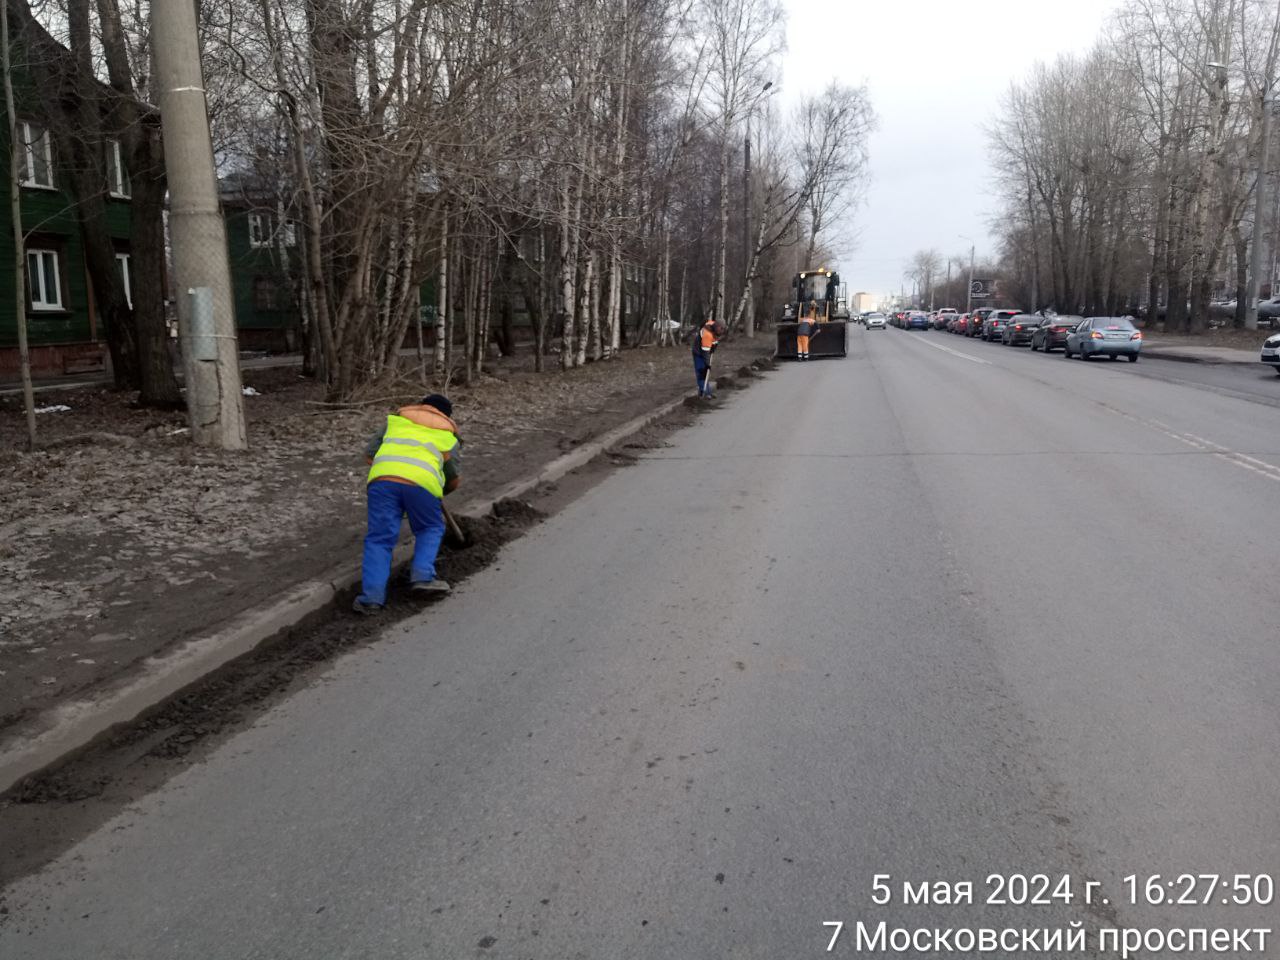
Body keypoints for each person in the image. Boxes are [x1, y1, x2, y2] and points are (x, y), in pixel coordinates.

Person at [353, 393, 462, 615]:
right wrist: (439, 491)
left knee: (379, 539)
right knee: (430, 527)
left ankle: (371, 599)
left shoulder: (396, 420)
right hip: (422, 484)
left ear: (422, 406)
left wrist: (392, 471)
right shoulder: (448, 434)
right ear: (445, 415)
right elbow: (453, 478)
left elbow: (369, 455)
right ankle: (423, 576)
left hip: (382, 482)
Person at [692, 317, 725, 398]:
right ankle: (705, 393)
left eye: (723, 329)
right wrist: (707, 364)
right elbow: (705, 353)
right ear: (717, 326)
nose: (722, 331)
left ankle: (706, 392)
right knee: (702, 373)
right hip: (699, 352)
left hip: (706, 349)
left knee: (705, 373)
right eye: (721, 329)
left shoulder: (714, 327)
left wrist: (714, 346)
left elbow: (715, 339)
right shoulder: (707, 334)